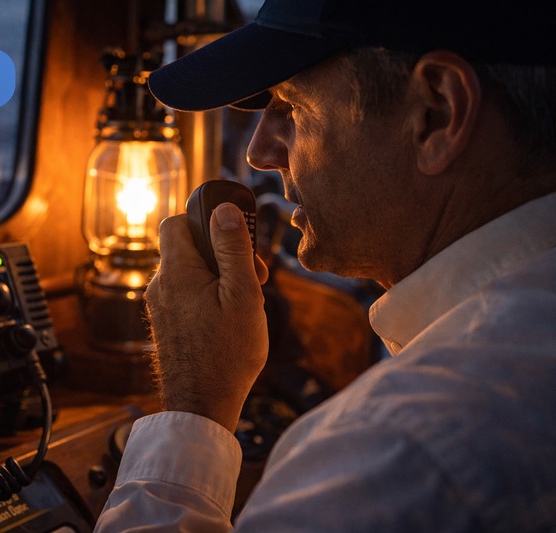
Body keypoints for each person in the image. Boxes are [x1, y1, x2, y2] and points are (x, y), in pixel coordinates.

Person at [95, 0, 556, 530]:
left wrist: (196, 405)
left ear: (437, 113)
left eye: (290, 108)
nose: (259, 153)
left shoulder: (402, 450)